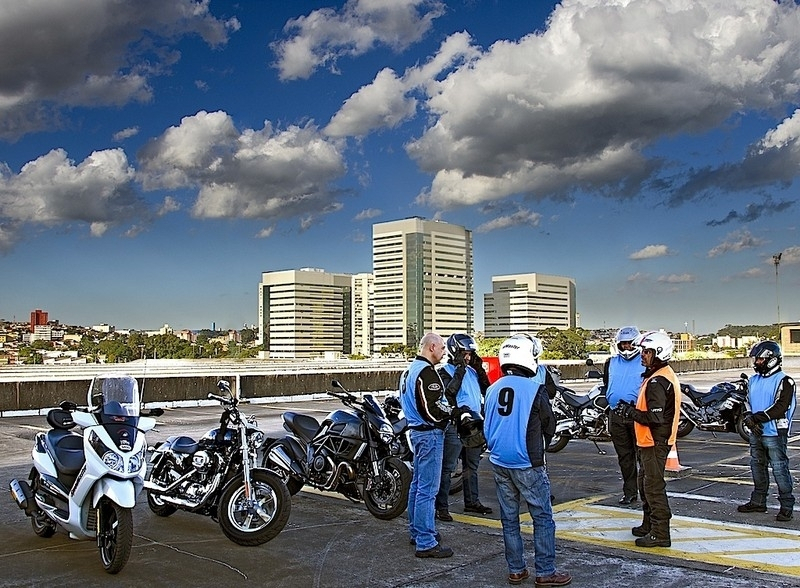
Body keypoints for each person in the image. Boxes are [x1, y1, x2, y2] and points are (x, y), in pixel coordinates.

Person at [483, 334, 572, 587]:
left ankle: (516, 570)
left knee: (509, 519)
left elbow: (487, 426)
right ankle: (545, 571)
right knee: (542, 517)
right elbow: (549, 425)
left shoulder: (492, 389)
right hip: (527, 462)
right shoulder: (536, 389)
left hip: (499, 460)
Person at [615, 330, 681, 548]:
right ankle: (649, 524)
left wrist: (630, 412)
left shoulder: (658, 381)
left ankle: (660, 533)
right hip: (651, 441)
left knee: (653, 487)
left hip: (654, 442)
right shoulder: (660, 374)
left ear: (658, 353)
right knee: (646, 485)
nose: (642, 355)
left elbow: (654, 417)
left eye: (646, 351)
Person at [398, 332, 454, 558]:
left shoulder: (407, 371)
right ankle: (425, 540)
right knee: (428, 490)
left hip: (415, 432)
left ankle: (417, 530)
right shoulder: (426, 373)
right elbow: (432, 410)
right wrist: (451, 414)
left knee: (418, 485)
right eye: (442, 348)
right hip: (429, 434)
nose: (444, 353)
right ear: (432, 347)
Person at [435, 333, 492, 522]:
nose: (467, 357)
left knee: (472, 466)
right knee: (448, 467)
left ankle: (472, 501)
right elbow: (450, 393)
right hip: (455, 424)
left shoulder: (473, 371)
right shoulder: (445, 371)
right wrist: (459, 368)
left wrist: (479, 369)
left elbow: (486, 390)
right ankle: (441, 506)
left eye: (469, 354)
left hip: (474, 424)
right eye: (464, 353)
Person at [737, 341, 796, 522]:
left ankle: (786, 506)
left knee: (779, 468)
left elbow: (780, 407)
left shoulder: (785, 381)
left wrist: (756, 418)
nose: (757, 362)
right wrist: (748, 417)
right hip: (756, 431)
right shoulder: (753, 381)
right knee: (757, 466)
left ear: (771, 359)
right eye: (756, 359)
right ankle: (758, 501)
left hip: (775, 433)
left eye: (760, 359)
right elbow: (745, 401)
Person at [603, 326, 644, 505]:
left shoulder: (645, 360)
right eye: (623, 344)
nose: (626, 347)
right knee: (624, 457)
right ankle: (630, 492)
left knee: (643, 456)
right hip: (616, 414)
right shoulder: (610, 362)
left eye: (630, 343)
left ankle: (646, 492)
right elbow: (606, 383)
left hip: (637, 414)